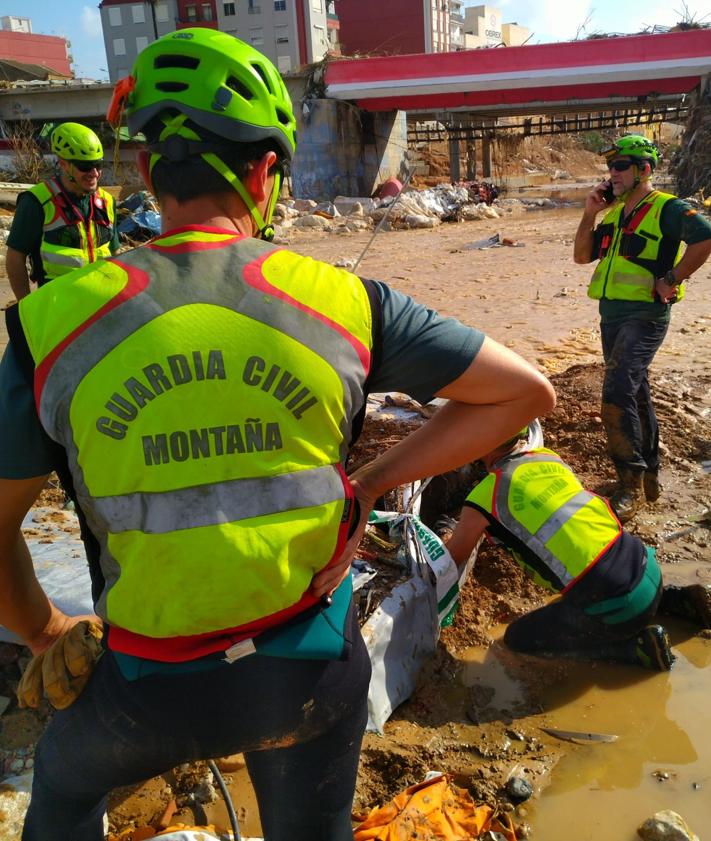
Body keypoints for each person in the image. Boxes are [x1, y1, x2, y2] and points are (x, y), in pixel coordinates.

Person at [0, 30, 556, 841]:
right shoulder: (346, 300)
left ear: (148, 171)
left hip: (140, 684)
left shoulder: (49, 325)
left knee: (63, 792)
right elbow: (520, 394)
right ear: (266, 172)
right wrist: (366, 486)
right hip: (309, 675)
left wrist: (46, 629)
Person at [444, 427, 711, 671]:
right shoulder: (546, 457)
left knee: (517, 638)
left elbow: (453, 557)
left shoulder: (484, 496)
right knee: (602, 584)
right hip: (646, 567)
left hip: (618, 605)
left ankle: (634, 649)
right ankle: (678, 601)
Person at [573, 134, 711, 522]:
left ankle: (629, 483)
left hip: (646, 316)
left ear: (643, 170)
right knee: (636, 391)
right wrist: (590, 213)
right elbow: (582, 256)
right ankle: (650, 471)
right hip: (611, 315)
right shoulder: (614, 213)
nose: (612, 174)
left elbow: (705, 239)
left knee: (617, 390)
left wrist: (673, 277)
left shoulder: (667, 208)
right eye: (610, 167)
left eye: (620, 166)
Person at [5, 122, 119, 301]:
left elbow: (115, 254)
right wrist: (26, 307)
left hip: (100, 304)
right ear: (64, 165)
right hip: (58, 306)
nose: (94, 173)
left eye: (98, 165)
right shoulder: (37, 202)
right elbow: (14, 258)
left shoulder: (107, 202)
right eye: (85, 167)